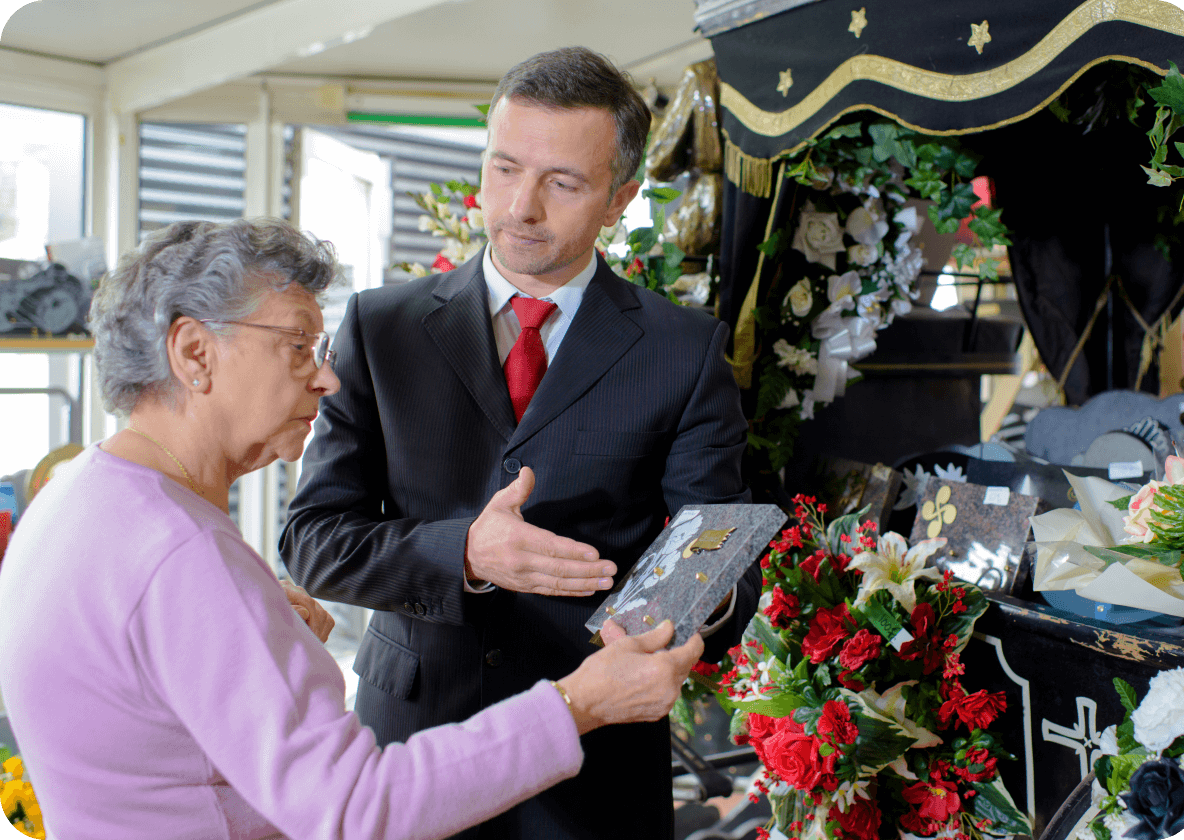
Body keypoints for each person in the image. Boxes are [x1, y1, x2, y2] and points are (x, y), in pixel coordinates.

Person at [0, 218, 705, 840]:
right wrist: (579, 703)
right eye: (298, 346)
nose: (326, 380)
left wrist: (256, 647)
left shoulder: (73, 498)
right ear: (194, 353)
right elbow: (354, 809)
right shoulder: (183, 556)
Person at [281, 46, 759, 839]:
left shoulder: (684, 349)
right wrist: (465, 554)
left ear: (620, 199)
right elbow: (313, 543)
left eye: (562, 183)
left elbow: (714, 548)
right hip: (411, 748)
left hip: (598, 764)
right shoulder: (379, 326)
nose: (520, 207)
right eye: (504, 169)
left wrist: (680, 619)